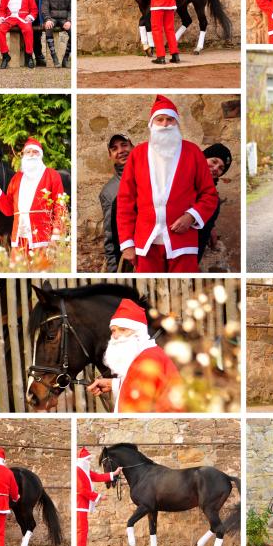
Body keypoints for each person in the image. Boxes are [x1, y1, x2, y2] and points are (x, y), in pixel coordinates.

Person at [116, 95, 218, 273]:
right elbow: (125, 201)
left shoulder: (193, 152)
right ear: (152, 124)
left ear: (177, 123)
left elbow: (209, 194)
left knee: (184, 290)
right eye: (160, 119)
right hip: (146, 243)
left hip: (183, 242)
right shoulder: (137, 155)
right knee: (148, 292)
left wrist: (191, 216)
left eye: (170, 119)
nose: (165, 124)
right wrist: (127, 244)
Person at [87, 298, 184, 412]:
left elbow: (136, 412)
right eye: (113, 330)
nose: (116, 336)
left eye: (123, 330)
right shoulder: (141, 355)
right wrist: (114, 384)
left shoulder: (149, 360)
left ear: (139, 333)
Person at [0, 137, 67, 269]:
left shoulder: (52, 175)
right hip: (19, 239)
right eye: (28, 152)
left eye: (35, 152)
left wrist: (56, 235)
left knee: (42, 271)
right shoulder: (17, 178)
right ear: (23, 155)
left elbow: (60, 206)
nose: (31, 155)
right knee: (19, 272)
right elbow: (8, 210)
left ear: (40, 155)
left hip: (43, 238)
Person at [76, 447, 120, 546]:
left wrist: (113, 474)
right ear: (82, 460)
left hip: (82, 505)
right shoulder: (78, 471)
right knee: (82, 530)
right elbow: (81, 490)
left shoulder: (83, 470)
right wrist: (99, 496)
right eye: (87, 459)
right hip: (79, 505)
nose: (89, 462)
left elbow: (97, 477)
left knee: (82, 530)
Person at [99, 133, 134, 272]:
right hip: (132, 258)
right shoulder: (109, 192)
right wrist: (114, 270)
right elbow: (111, 236)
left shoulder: (151, 175)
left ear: (132, 146)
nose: (120, 151)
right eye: (114, 149)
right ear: (110, 155)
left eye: (124, 145)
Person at [0, 0, 38, 69]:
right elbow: (1, 9)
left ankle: (29, 56)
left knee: (28, 30)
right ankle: (5, 56)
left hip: (23, 17)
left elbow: (34, 9)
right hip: (9, 18)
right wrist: (1, 18)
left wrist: (30, 16)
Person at [198, 143, 233, 263]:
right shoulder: (184, 179)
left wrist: (211, 226)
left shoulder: (211, 191)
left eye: (221, 168)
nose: (215, 169)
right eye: (213, 161)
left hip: (195, 249)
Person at [41, 0, 72, 68]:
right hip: (52, 18)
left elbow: (71, 9)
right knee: (48, 27)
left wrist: (69, 21)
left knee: (73, 31)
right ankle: (54, 57)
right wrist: (47, 19)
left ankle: (66, 58)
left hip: (64, 19)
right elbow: (44, 8)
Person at [23, 0, 46, 66]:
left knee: (37, 37)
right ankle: (27, 58)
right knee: (25, 37)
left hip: (36, 16)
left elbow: (42, 1)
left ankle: (39, 57)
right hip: (24, 16)